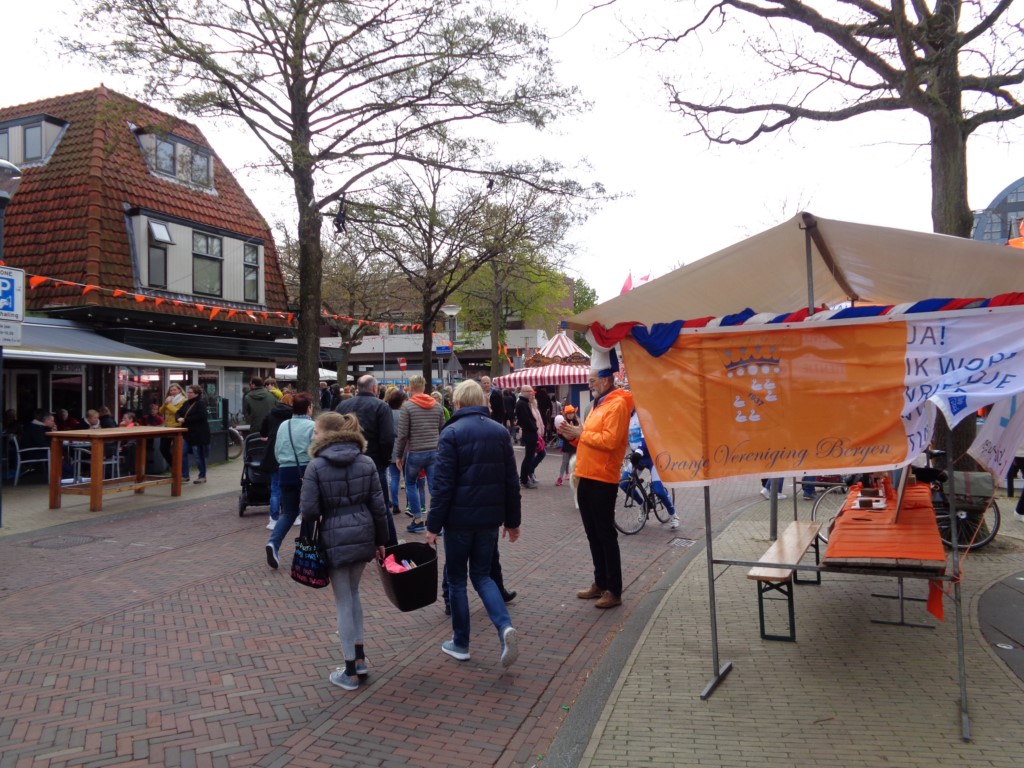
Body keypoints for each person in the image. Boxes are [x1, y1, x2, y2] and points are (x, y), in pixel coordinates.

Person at [425, 380, 521, 668]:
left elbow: (442, 486)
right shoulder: (500, 431)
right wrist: (512, 521)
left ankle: (461, 642)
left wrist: (432, 525)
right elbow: (510, 481)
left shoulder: (451, 433)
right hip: (489, 520)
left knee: (456, 579)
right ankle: (504, 627)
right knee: (483, 576)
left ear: (457, 402)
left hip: (459, 520)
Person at [300, 411, 389, 691]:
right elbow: (379, 505)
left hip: (334, 534)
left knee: (343, 600)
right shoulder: (366, 461)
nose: (313, 435)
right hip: (364, 530)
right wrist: (382, 540)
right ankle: (359, 659)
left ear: (325, 433)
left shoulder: (315, 467)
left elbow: (310, 510)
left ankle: (349, 668)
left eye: (315, 431)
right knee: (354, 594)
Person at [558, 347, 633, 609]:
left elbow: (610, 442)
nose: (589, 385)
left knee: (605, 535)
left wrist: (581, 433)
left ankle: (614, 589)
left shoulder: (618, 403)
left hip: (603, 478)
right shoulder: (599, 404)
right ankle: (600, 582)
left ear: (606, 380)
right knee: (593, 534)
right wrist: (574, 435)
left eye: (592, 380)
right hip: (586, 475)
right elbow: (590, 439)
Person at [336, 375, 398, 546]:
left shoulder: (342, 405)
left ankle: (352, 543)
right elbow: (387, 438)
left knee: (349, 505)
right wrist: (384, 461)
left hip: (346, 461)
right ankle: (390, 544)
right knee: (382, 506)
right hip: (374, 462)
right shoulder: (381, 406)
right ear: (374, 389)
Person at [265, 392, 315, 568]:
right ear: (309, 407)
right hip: (306, 471)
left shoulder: (283, 425)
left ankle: (273, 543)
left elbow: (278, 451)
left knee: (288, 512)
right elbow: (315, 451)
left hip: (285, 470)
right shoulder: (313, 426)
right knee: (311, 511)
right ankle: (307, 550)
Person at [392, 375, 445, 533]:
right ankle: (436, 521)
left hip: (415, 452)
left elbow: (402, 435)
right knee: (434, 486)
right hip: (434, 452)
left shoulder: (408, 407)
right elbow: (442, 429)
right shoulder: (437, 406)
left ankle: (417, 519)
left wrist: (399, 455)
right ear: (424, 387)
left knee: (410, 483)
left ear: (411, 387)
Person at [622, 409, 680, 529]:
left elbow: (647, 436)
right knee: (623, 483)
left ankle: (673, 514)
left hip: (652, 457)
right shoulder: (623, 417)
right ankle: (643, 505)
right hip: (637, 458)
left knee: (658, 490)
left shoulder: (642, 415)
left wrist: (638, 452)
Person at [260, 396, 295, 531]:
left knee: (275, 488)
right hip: (289, 450)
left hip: (272, 451)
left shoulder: (270, 414)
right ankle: (294, 515)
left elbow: (262, 431)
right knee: (293, 486)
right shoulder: (293, 415)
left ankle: (273, 519)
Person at [175, 385, 210, 483]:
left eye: (191, 392)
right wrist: (178, 417)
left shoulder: (200, 403)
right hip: (187, 433)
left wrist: (185, 419)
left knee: (198, 455)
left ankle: (202, 476)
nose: (188, 394)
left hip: (198, 434)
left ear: (196, 394)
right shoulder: (186, 403)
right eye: (188, 392)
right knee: (182, 452)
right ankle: (185, 475)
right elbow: (178, 412)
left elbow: (202, 416)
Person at [514, 386, 545, 488]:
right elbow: (526, 420)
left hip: (530, 432)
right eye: (529, 391)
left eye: (531, 391)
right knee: (529, 457)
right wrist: (534, 428)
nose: (531, 393)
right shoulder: (522, 404)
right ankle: (524, 479)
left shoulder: (523, 403)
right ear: (523, 392)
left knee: (530, 457)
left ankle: (525, 478)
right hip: (529, 433)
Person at [385, 388, 407, 517]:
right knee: (410, 480)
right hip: (405, 449)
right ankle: (410, 505)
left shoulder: (386, 413)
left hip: (392, 449)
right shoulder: (404, 413)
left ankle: (395, 504)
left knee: (394, 478)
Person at [159, 384, 187, 472]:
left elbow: (178, 412)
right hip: (167, 426)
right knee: (163, 448)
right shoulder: (169, 400)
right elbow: (161, 411)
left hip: (177, 426)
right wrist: (165, 404)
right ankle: (173, 465)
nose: (172, 392)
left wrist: (169, 405)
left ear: (179, 390)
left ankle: (180, 470)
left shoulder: (184, 400)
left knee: (177, 450)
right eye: (171, 391)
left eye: (174, 390)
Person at [553, 405, 579, 487]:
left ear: (574, 413)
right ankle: (560, 477)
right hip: (566, 446)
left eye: (572, 413)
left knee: (573, 462)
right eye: (568, 413)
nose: (570, 415)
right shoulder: (563, 422)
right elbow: (561, 436)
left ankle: (572, 476)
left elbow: (578, 434)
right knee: (565, 462)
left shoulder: (576, 422)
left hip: (574, 446)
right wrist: (561, 434)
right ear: (565, 415)